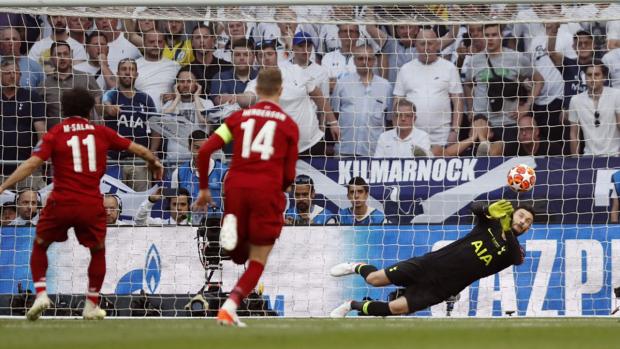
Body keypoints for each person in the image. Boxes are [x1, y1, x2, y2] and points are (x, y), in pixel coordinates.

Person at [0, 87, 163, 321]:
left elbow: (32, 164)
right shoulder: (102, 132)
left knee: (40, 245)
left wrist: (4, 186)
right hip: (90, 203)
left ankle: (41, 294)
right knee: (97, 251)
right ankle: (92, 303)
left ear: (64, 109)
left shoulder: (55, 133)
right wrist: (154, 161)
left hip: (61, 202)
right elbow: (137, 148)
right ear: (90, 109)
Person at [194, 67, 299, 327]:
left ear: (256, 91)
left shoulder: (237, 119)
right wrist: (281, 187)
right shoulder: (288, 125)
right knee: (257, 258)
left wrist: (205, 188)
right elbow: (289, 174)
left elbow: (205, 150)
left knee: (238, 254)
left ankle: (229, 236)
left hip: (236, 187)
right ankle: (230, 306)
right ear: (281, 91)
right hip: (266, 190)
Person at [329, 200, 534, 317]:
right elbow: (473, 207)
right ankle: (355, 266)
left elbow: (516, 259)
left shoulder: (515, 250)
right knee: (374, 279)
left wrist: (508, 230)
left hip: (444, 287)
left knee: (396, 308)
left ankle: (351, 305)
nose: (523, 221)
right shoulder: (491, 225)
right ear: (513, 214)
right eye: (521, 216)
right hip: (429, 265)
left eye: (528, 222)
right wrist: (487, 210)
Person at [102, 58, 160, 191]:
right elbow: (105, 103)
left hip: (139, 160)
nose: (128, 72)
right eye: (124, 69)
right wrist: (109, 108)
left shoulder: (145, 99)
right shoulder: (111, 94)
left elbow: (156, 127)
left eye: (131, 69)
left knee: (139, 201)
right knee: (113, 201)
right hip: (114, 160)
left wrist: (152, 151)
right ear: (118, 73)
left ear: (136, 74)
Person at [331, 44, 391, 157]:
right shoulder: (342, 83)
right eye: (360, 58)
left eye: (368, 59)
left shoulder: (385, 86)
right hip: (345, 149)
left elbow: (389, 120)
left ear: (374, 61)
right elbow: (335, 114)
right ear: (354, 61)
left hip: (373, 151)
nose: (364, 62)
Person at [169, 130, 227, 219]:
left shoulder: (224, 172)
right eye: (197, 148)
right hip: (188, 225)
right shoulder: (178, 173)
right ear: (189, 148)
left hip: (216, 225)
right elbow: (174, 205)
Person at [568, 61, 620, 156]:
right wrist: (575, 161)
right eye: (589, 75)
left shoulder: (616, 95)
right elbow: (574, 134)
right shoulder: (575, 100)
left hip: (614, 155)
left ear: (604, 77)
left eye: (597, 74)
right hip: (589, 156)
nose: (592, 78)